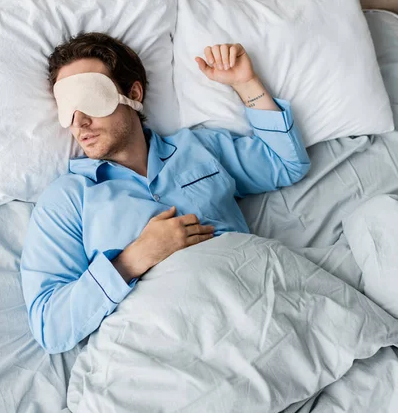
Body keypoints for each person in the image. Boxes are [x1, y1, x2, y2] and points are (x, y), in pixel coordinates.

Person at [20, 32, 311, 354]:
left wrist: (246, 84)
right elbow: (50, 326)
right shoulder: (67, 200)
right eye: (68, 109)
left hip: (258, 308)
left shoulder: (200, 149)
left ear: (133, 93)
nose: (80, 122)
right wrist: (133, 259)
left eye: (90, 99)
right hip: (166, 342)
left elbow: (286, 164)